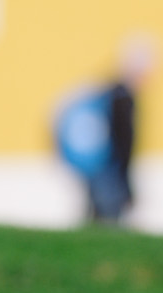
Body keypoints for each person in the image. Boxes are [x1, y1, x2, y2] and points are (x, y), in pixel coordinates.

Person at [53, 36, 157, 224]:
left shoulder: (106, 93)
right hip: (109, 170)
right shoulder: (123, 99)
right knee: (108, 219)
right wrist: (127, 183)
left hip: (95, 169)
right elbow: (125, 144)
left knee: (95, 216)